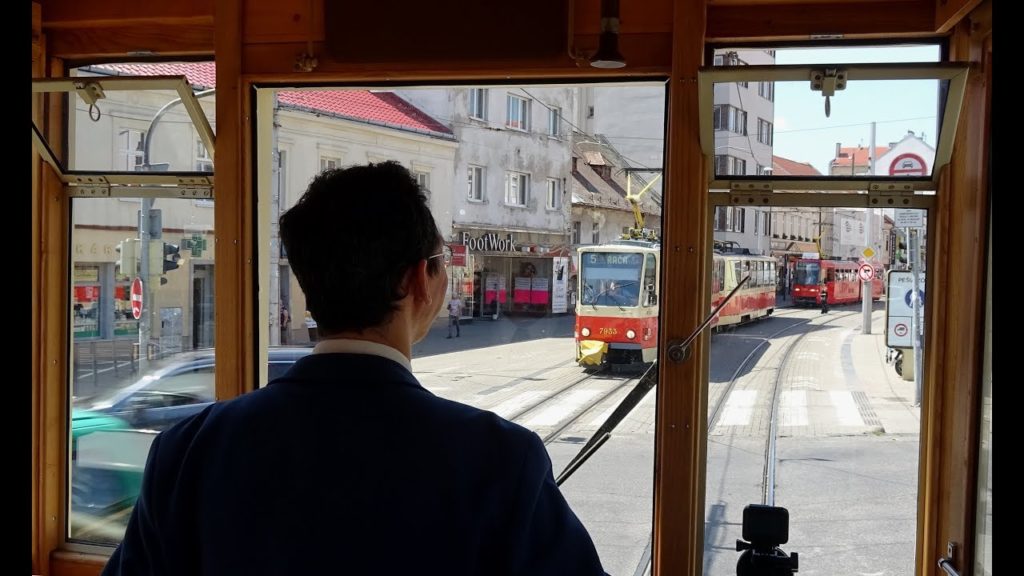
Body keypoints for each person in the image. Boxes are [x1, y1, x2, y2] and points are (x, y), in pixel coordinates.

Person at [102, 161, 607, 576]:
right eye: (441, 262)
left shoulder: (188, 451)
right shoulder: (500, 459)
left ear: (307, 281)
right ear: (419, 281)